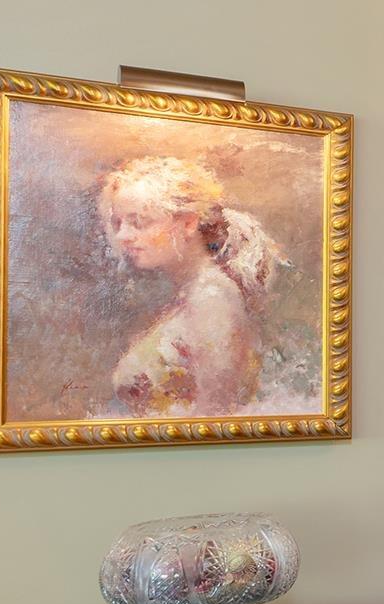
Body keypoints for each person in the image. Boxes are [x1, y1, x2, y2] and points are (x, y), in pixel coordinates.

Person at [97, 156, 285, 417]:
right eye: (118, 223)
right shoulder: (191, 293)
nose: (123, 235)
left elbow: (215, 417)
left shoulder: (212, 298)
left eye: (139, 222)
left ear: (188, 223)